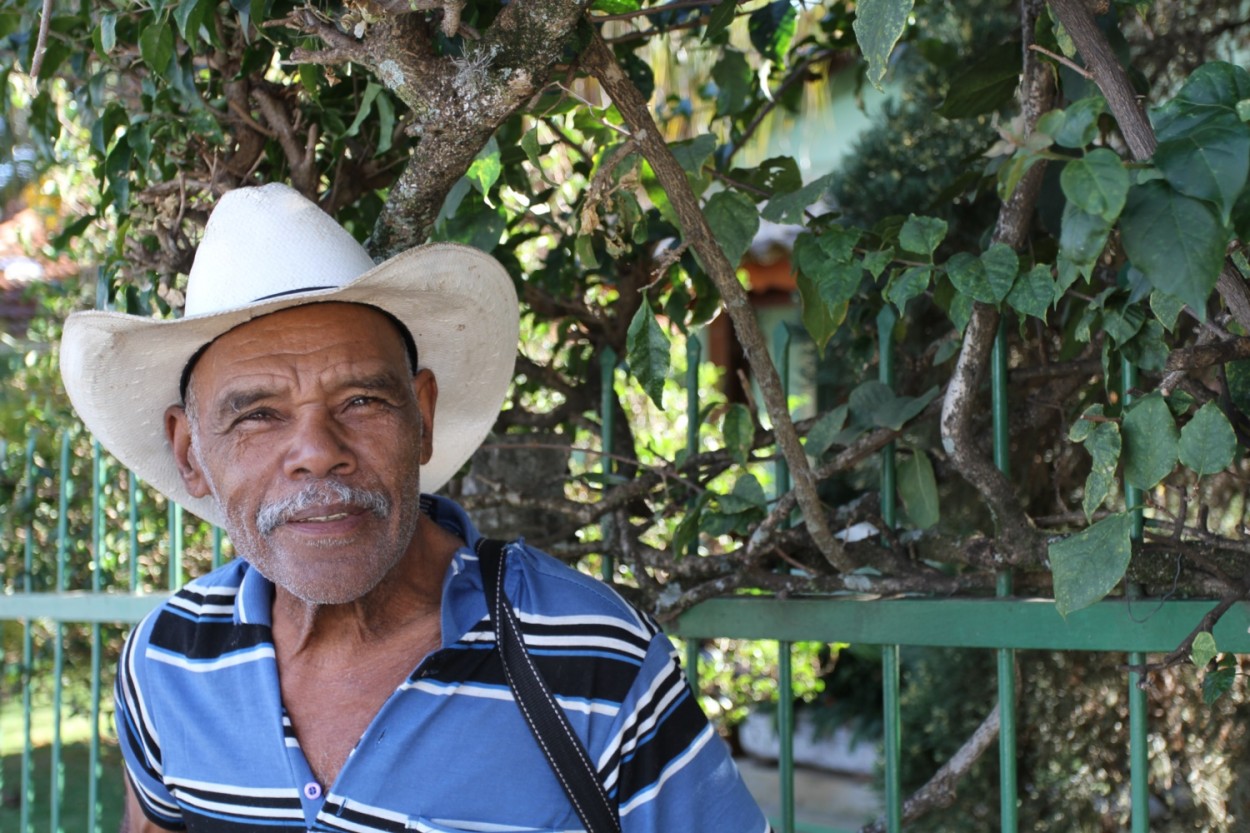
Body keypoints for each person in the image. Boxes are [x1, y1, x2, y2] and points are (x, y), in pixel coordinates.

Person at [61, 183, 770, 832]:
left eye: (361, 400)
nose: (317, 451)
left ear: (422, 417)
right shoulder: (167, 662)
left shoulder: (591, 660)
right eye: (257, 415)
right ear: (189, 454)